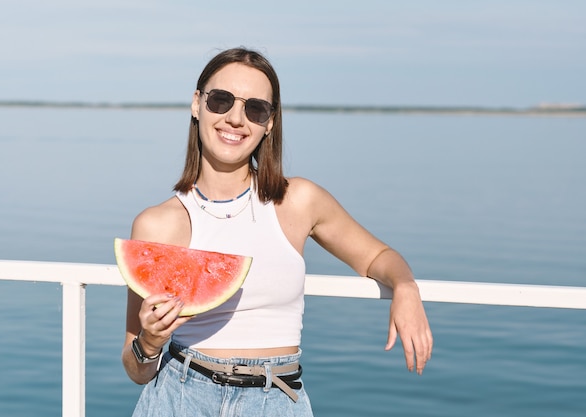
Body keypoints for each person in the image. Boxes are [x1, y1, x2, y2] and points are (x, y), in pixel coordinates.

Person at [122, 47, 432, 416]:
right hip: (179, 394)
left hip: (276, 398)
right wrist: (151, 341)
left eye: (255, 108)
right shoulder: (156, 224)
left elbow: (377, 256)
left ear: (269, 122)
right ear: (197, 105)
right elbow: (136, 369)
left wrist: (405, 286)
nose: (236, 119)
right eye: (221, 101)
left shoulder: (298, 201)